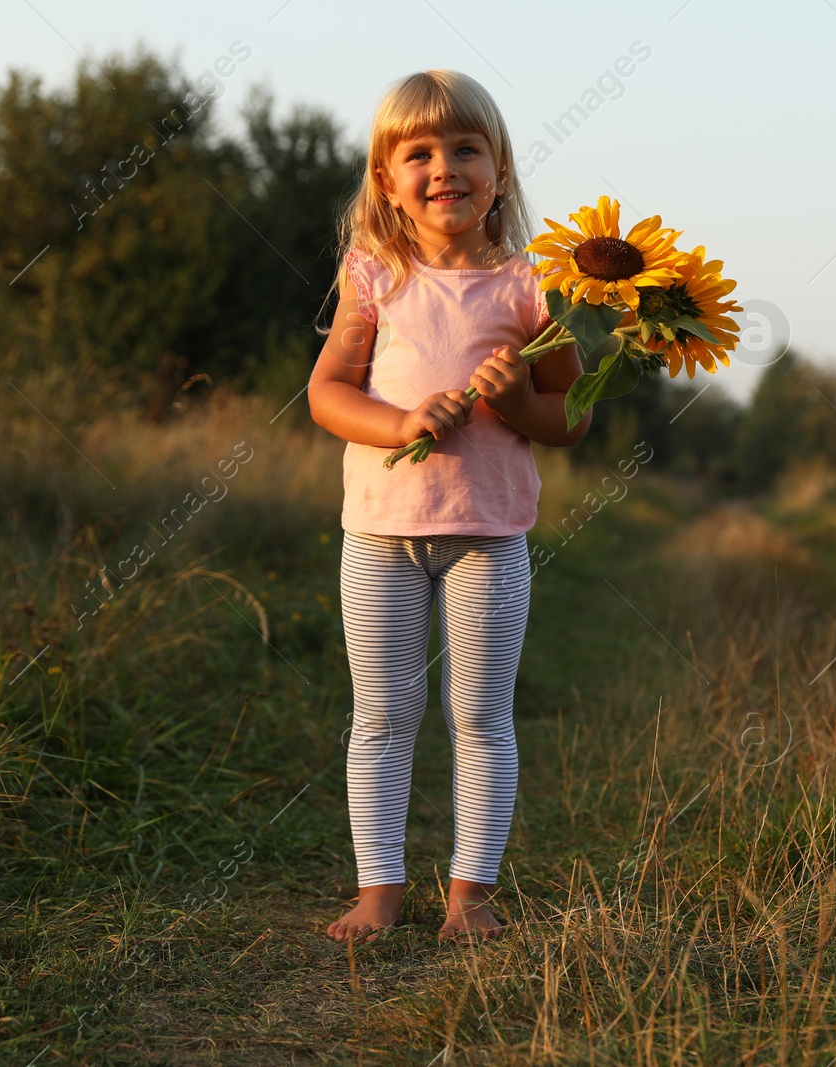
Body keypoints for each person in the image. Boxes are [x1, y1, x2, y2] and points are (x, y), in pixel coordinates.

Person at [307, 69, 591, 942]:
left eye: (466, 148)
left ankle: (471, 894)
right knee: (384, 714)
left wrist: (512, 406)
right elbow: (326, 393)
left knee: (479, 714)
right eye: (419, 152)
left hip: (488, 539)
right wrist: (397, 423)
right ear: (386, 180)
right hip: (380, 537)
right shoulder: (374, 277)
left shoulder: (535, 288)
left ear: (499, 172)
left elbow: (569, 417)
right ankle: (378, 889)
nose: (444, 168)